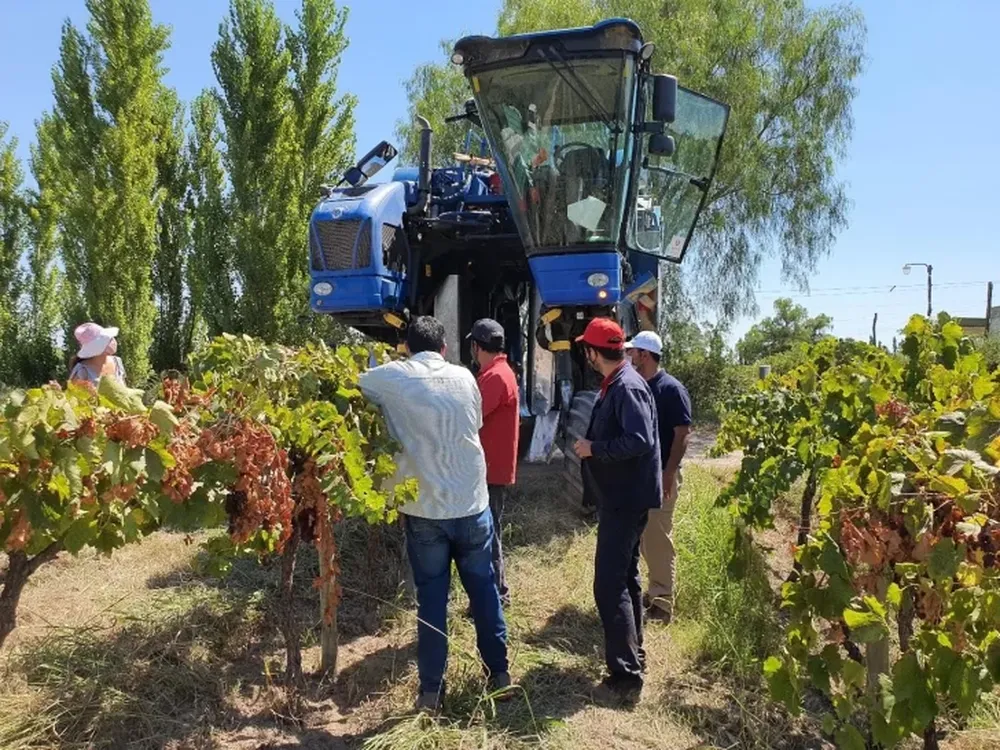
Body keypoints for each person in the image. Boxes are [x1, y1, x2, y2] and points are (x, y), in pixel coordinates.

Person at [358, 316, 511, 711]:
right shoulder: (464, 378)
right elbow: (474, 424)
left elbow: (357, 381)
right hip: (473, 504)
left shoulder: (393, 376)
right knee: (484, 591)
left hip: (426, 510)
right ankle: (499, 674)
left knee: (431, 601)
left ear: (407, 347)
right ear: (444, 348)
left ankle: (430, 693)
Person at [572, 318, 661, 703]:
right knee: (626, 577)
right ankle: (633, 654)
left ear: (594, 353)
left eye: (586, 350)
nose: (586, 356)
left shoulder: (626, 386)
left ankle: (625, 677)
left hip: (626, 499)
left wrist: (595, 449)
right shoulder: (618, 383)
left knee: (609, 585)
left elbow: (639, 439)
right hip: (622, 496)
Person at [625, 331, 693, 624]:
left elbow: (682, 435)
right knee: (644, 538)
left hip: (661, 476)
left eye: (634, 352)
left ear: (646, 355)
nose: (630, 356)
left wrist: (668, 473)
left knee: (658, 539)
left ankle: (662, 604)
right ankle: (653, 593)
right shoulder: (640, 385)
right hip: (642, 476)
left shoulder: (671, 389)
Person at [468, 318, 519, 607]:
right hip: (492, 468)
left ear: (476, 347)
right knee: (488, 532)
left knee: (487, 534)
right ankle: (494, 594)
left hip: (489, 470)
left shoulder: (495, 377)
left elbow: (470, 417)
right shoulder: (499, 372)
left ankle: (495, 596)